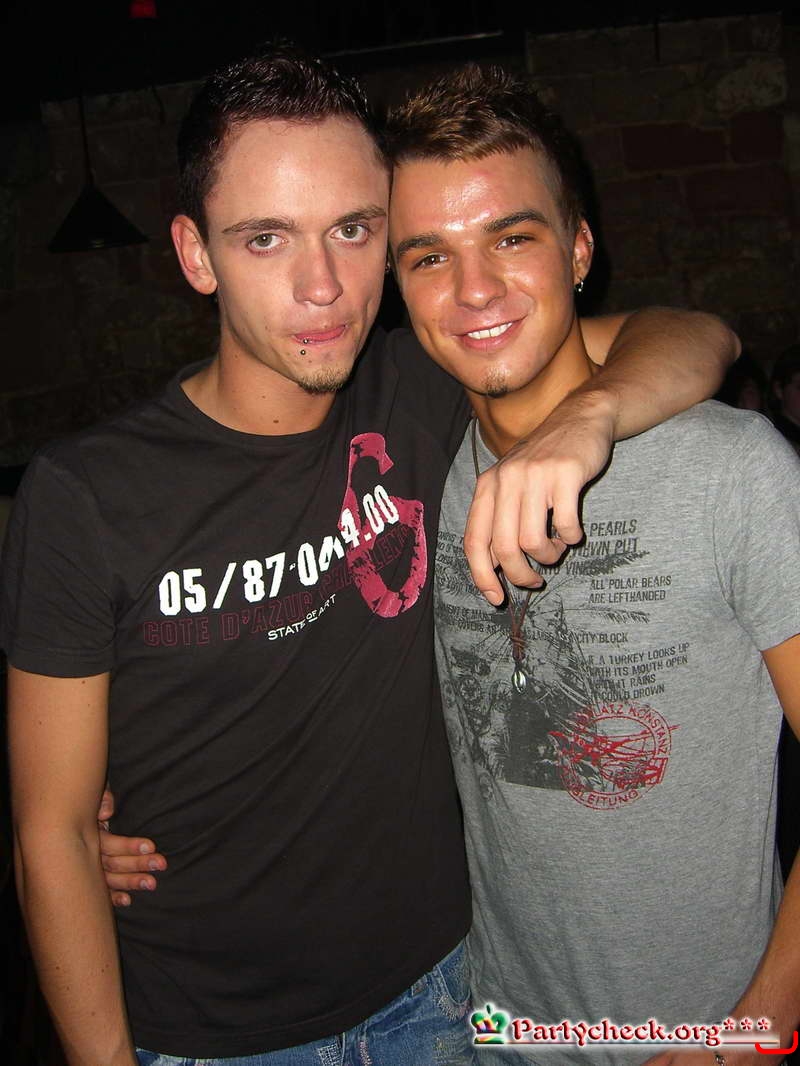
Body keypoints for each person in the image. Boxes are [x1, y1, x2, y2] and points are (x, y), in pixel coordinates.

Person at [4, 47, 737, 1066]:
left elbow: (696, 336)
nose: (323, 286)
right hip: (213, 1034)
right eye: (266, 238)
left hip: (442, 991)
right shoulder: (87, 495)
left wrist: (589, 420)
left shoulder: (423, 386)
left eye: (352, 230)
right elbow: (51, 834)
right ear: (196, 254)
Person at [386, 66, 800, 1063]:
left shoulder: (731, 469)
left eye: (511, 238)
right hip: (498, 1028)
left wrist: (752, 1030)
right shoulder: (419, 470)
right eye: (430, 255)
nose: (473, 290)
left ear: (579, 250)